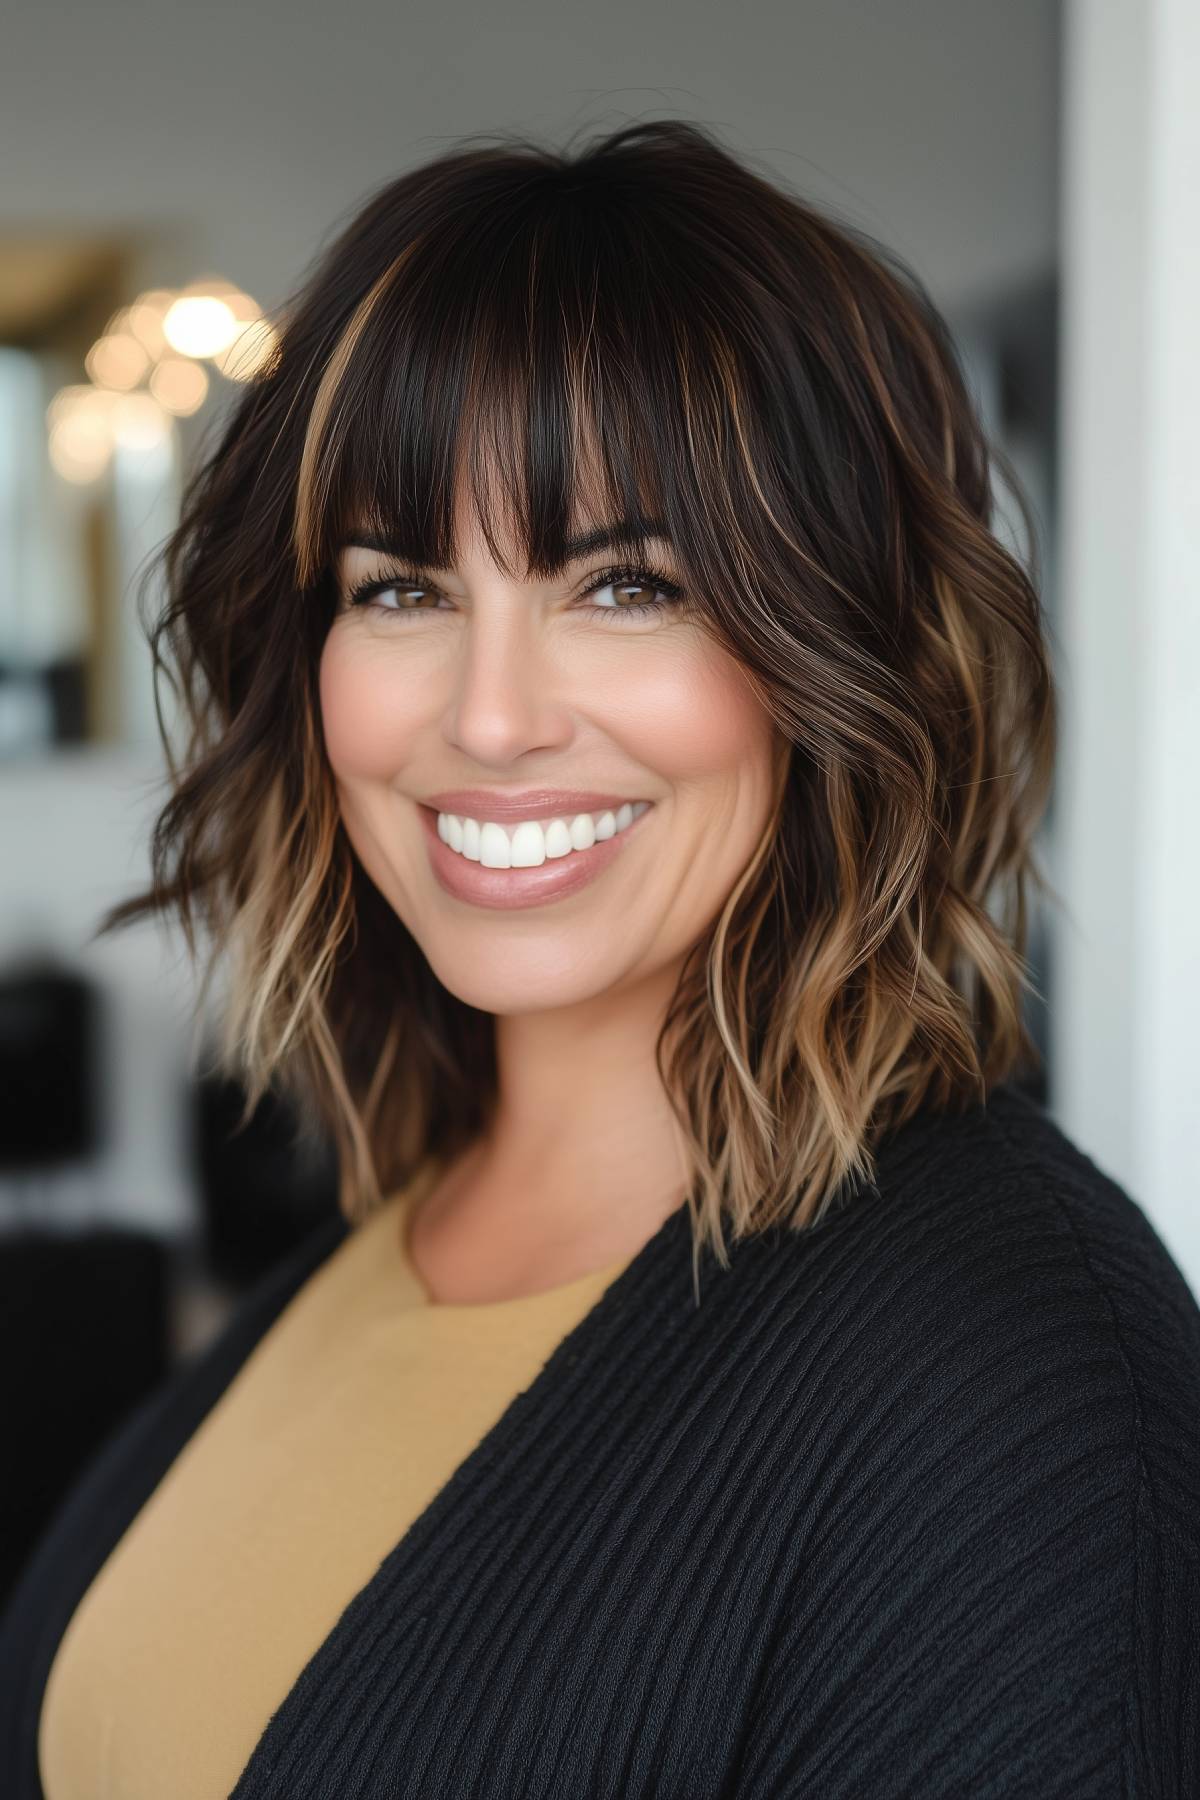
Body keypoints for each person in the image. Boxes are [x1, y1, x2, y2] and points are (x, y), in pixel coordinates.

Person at [2, 117, 1197, 1799]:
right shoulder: (379, 1222)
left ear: (840, 649)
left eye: (627, 585)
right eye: (400, 587)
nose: (488, 718)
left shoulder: (1021, 1394)